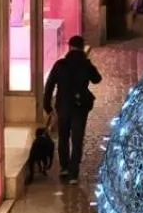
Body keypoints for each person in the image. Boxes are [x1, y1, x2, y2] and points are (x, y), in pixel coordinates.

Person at [43, 37, 101, 184]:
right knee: (77, 138)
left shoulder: (60, 64)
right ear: (82, 48)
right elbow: (97, 79)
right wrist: (88, 66)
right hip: (80, 106)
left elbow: (49, 85)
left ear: (70, 47)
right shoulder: (85, 65)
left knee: (63, 136)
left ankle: (64, 167)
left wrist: (47, 107)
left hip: (63, 105)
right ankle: (74, 173)